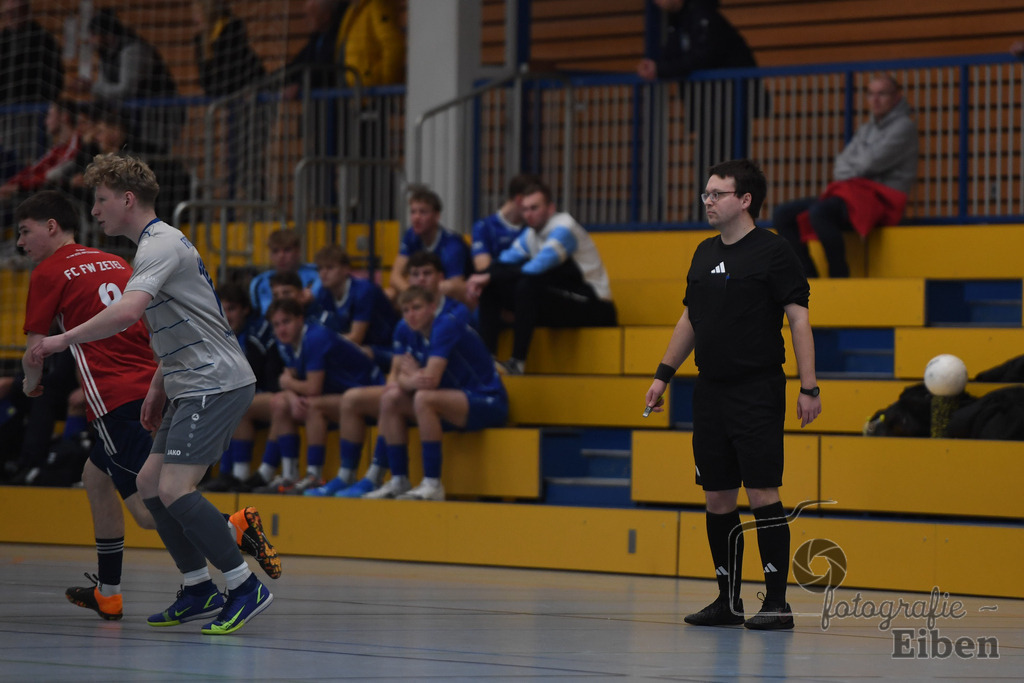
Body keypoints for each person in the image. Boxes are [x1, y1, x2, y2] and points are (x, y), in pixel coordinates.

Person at [33, 155, 276, 635]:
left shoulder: (159, 244)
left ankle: (244, 586)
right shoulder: (151, 247)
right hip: (186, 380)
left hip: (215, 380)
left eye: (101, 200)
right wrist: (157, 386)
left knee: (172, 488)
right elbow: (177, 321)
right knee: (148, 484)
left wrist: (62, 339)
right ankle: (197, 586)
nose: (96, 211)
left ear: (127, 199)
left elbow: (129, 312)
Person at [643, 158, 822, 630]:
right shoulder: (703, 252)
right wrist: (663, 373)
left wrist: (809, 387)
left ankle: (776, 603)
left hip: (757, 388)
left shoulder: (774, 252)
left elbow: (798, 319)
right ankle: (728, 600)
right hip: (710, 391)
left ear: (744, 200)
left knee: (762, 490)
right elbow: (690, 319)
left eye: (717, 193)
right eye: (706, 193)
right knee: (717, 497)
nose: (708, 200)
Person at [368, 285, 508, 501]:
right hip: (451, 402)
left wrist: (413, 378)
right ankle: (398, 480)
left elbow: (430, 381)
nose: (411, 315)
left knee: (424, 398)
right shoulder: (408, 331)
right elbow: (399, 380)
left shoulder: (445, 325)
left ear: (433, 307)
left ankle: (432, 483)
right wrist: (413, 378)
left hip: (487, 400)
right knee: (390, 399)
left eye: (417, 308)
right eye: (405, 310)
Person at [772, 74, 918, 278]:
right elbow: (840, 167)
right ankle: (806, 275)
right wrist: (856, 167)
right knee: (783, 214)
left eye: (882, 94)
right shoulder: (866, 129)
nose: (875, 100)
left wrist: (855, 166)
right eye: (871, 94)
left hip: (881, 202)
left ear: (896, 97)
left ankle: (839, 275)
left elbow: (869, 164)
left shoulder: (904, 127)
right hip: (852, 196)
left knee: (820, 213)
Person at [478, 181, 617, 375]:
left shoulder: (564, 227)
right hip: (562, 300)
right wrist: (482, 277)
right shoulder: (531, 235)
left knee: (527, 284)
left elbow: (536, 267)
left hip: (595, 305)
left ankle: (517, 363)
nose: (529, 214)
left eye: (534, 208)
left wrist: (487, 276)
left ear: (551, 208)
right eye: (525, 209)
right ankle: (486, 361)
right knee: (491, 286)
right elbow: (504, 261)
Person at [253, 297, 383, 494]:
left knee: (312, 405)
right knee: (280, 403)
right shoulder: (287, 342)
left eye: (286, 321)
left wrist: (288, 385)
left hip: (367, 392)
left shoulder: (315, 337)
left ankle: (315, 475)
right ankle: (289, 475)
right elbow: (292, 379)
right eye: (276, 324)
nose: (281, 329)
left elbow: (311, 387)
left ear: (300, 319)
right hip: (340, 395)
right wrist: (290, 394)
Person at [636, 0, 759, 174]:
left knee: (729, 163)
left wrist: (661, 69)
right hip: (708, 107)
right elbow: (672, 55)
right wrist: (655, 66)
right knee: (709, 162)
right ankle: (709, 200)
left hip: (728, 102)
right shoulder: (676, 20)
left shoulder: (703, 14)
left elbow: (704, 56)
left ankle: (726, 200)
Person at [203, 281, 282, 492]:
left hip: (273, 393)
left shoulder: (255, 335)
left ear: (245, 309)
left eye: (232, 309)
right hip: (255, 394)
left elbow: (251, 378)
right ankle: (213, 475)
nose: (227, 315)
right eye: (222, 309)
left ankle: (236, 475)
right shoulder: (221, 334)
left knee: (232, 401)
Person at [76, 9, 182, 154]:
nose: (91, 41)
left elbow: (126, 90)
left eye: (93, 36)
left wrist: (93, 87)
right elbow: (104, 89)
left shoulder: (132, 50)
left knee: (152, 155)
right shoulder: (105, 54)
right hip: (137, 117)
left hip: (158, 115)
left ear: (105, 35)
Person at [193, 0, 268, 201]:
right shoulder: (201, 40)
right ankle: (237, 208)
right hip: (234, 104)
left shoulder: (231, 29)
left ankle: (257, 208)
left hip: (251, 101)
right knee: (232, 160)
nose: (195, 18)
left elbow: (233, 72)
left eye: (198, 11)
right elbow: (207, 81)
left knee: (248, 161)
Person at [312, 244, 398, 370]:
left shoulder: (363, 291)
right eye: (320, 268)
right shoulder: (324, 293)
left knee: (356, 351)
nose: (323, 273)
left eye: (330, 267)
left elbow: (356, 337)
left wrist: (321, 342)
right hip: (359, 346)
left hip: (387, 348)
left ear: (346, 269)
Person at [386, 185, 472, 305]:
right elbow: (395, 277)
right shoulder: (410, 235)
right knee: (389, 294)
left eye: (423, 212)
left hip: (456, 294)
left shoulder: (452, 244)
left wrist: (420, 296)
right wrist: (413, 293)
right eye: (413, 212)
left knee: (447, 286)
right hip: (425, 289)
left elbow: (455, 285)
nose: (416, 217)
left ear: (436, 216)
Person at [465, 173, 538, 307]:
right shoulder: (484, 227)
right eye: (533, 204)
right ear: (519, 199)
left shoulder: (534, 229)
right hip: (496, 295)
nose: (536, 210)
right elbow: (483, 268)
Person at [0, 100, 81, 202]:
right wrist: (12, 183)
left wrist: (19, 187)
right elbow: (35, 168)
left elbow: (51, 175)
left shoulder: (77, 143)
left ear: (64, 116)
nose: (46, 122)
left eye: (49, 116)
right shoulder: (58, 147)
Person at [0, 0, 63, 108]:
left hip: (34, 108)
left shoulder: (43, 40)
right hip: (4, 109)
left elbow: (55, 78)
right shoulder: (3, 40)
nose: (9, 17)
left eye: (14, 12)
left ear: (25, 12)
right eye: (6, 13)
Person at [249, 228, 322, 316]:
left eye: (287, 250)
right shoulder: (259, 283)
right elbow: (264, 315)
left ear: (298, 251)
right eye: (275, 251)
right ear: (270, 255)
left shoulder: (319, 273)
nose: (281, 256)